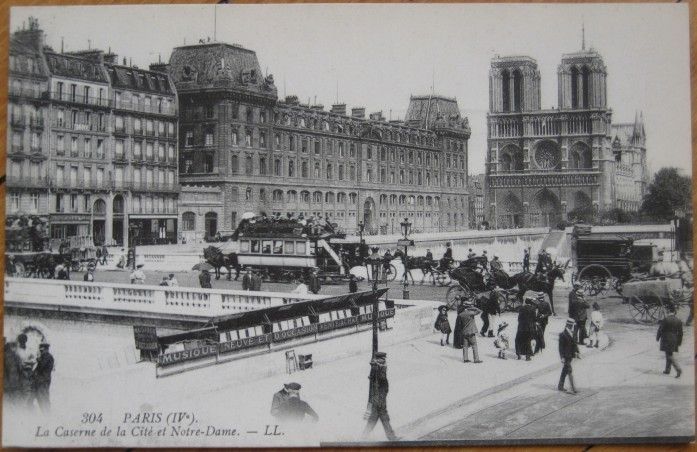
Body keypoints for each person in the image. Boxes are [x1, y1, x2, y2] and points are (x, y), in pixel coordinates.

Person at [362, 352, 397, 441]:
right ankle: (392, 438)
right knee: (383, 418)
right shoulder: (379, 368)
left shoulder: (377, 367)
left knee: (374, 420)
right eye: (383, 359)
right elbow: (380, 384)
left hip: (378, 399)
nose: (385, 360)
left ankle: (363, 438)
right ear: (380, 359)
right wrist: (381, 399)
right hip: (380, 400)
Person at [656, 304, 683, 378]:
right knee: (669, 353)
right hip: (674, 339)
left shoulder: (666, 319)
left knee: (669, 355)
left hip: (666, 339)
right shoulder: (679, 320)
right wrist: (679, 342)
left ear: (668, 311)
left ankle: (678, 369)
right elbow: (681, 333)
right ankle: (667, 370)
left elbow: (661, 329)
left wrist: (657, 337)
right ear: (674, 312)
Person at [558, 318, 580, 394]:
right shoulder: (562, 334)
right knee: (569, 370)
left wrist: (577, 352)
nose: (572, 327)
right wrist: (562, 357)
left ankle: (560, 386)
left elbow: (575, 344)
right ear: (568, 325)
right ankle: (573, 388)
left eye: (572, 326)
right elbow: (560, 348)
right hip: (566, 356)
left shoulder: (573, 333)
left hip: (571, 355)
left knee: (565, 370)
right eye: (571, 325)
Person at [32, 342, 54, 413]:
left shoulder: (47, 356)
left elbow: (41, 366)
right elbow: (38, 369)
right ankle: (46, 413)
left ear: (45, 349)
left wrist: (38, 359)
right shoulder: (45, 356)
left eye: (41, 350)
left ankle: (47, 414)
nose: (40, 351)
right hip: (41, 381)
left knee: (43, 398)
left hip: (43, 381)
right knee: (41, 398)